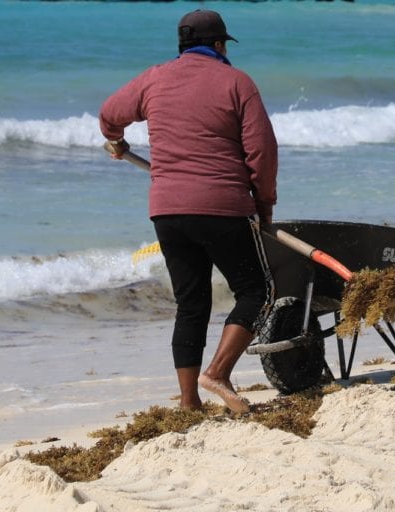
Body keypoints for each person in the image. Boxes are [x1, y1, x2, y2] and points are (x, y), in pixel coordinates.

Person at [99, 10, 278, 413]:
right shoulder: (237, 82)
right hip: (223, 206)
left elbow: (110, 114)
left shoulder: (154, 79)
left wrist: (116, 141)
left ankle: (188, 401)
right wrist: (264, 204)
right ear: (219, 45)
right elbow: (262, 152)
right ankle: (217, 372)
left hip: (167, 210)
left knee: (191, 302)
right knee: (257, 291)